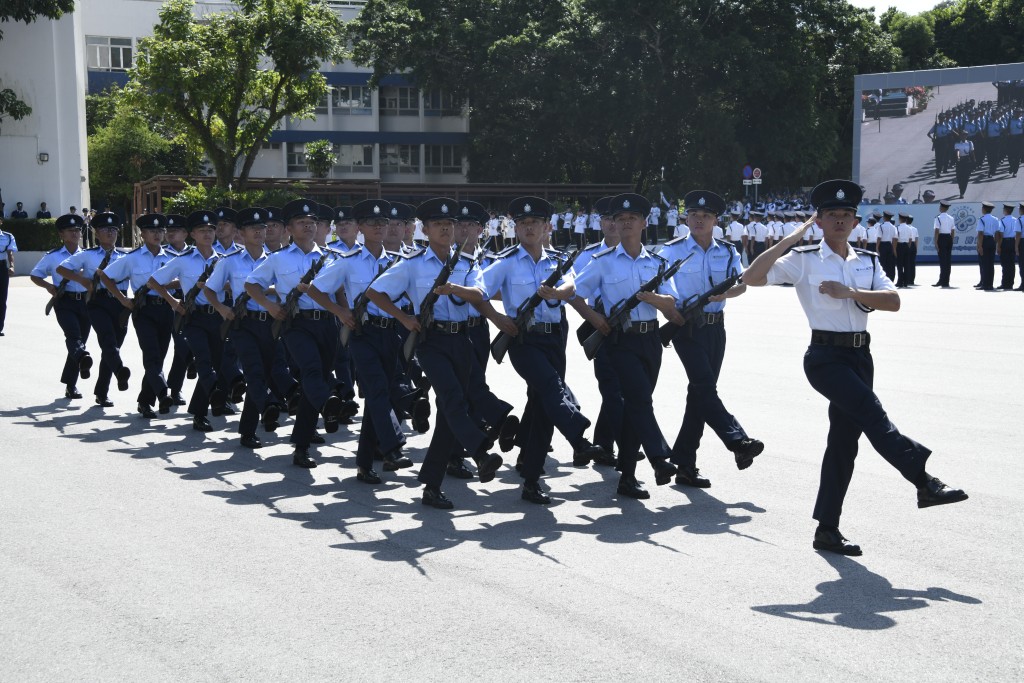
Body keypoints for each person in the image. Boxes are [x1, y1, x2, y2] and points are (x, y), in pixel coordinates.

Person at [742, 179, 968, 556]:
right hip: (825, 358)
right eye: (832, 214)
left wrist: (851, 293)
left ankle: (827, 530)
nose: (840, 220)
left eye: (847, 214)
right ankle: (923, 481)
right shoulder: (802, 259)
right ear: (819, 220)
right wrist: (789, 239)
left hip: (860, 357)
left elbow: (893, 301)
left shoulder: (868, 261)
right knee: (872, 413)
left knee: (844, 444)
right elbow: (752, 278)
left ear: (855, 219)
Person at [365, 197, 504, 510]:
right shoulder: (413, 264)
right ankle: (481, 453)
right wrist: (403, 318)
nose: (446, 228)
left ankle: (431, 485)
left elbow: (480, 294)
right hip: (431, 342)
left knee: (450, 414)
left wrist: (453, 289)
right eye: (438, 224)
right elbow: (374, 291)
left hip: (463, 340)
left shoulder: (466, 263)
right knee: (453, 399)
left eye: (450, 224)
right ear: (425, 230)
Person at [480, 196, 603, 504]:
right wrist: (498, 318)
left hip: (554, 337)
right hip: (523, 340)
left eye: (535, 222)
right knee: (551, 386)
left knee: (543, 409)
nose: (529, 227)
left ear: (547, 227)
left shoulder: (557, 260)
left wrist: (557, 292)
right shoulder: (506, 260)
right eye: (523, 223)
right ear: (516, 228)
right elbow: (479, 291)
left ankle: (532, 479)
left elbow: (570, 288)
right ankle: (578, 435)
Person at [565, 192, 682, 499]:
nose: (626, 223)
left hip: (650, 338)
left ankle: (627, 476)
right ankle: (659, 458)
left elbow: (672, 304)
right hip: (619, 340)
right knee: (640, 399)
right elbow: (575, 292)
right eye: (620, 219)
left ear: (644, 223)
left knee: (635, 406)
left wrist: (654, 299)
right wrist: (595, 318)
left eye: (632, 219)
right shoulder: (602, 262)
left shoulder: (657, 262)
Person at [659, 190, 764, 488]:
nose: (699, 220)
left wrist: (725, 293)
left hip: (716, 327)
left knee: (700, 394)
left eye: (705, 216)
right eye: (694, 215)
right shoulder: (672, 251)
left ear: (716, 220)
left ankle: (684, 464)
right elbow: (661, 287)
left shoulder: (727, 251)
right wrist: (671, 310)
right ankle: (737, 440)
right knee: (703, 386)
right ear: (686, 218)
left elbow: (741, 285)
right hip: (686, 327)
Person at [307, 199, 415, 482]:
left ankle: (365, 464)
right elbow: (316, 290)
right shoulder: (349, 261)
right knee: (377, 390)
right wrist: (340, 311)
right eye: (372, 223)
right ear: (359, 228)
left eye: (383, 223)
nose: (379, 227)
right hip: (362, 333)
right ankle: (392, 447)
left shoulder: (399, 261)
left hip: (392, 332)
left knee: (381, 396)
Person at [246, 200, 339, 469]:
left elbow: (340, 290)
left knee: (317, 379)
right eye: (301, 222)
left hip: (327, 324)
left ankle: (301, 445)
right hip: (296, 323)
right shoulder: (278, 258)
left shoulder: (330, 257)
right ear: (289, 228)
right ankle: (329, 405)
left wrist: (345, 313)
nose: (309, 225)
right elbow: (251, 284)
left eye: (312, 222)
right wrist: (271, 306)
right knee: (310, 370)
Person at [149, 211, 229, 433]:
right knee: (203, 360)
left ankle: (199, 410)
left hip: (218, 317)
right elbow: (154, 281)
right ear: (192, 234)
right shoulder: (182, 261)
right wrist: (173, 302)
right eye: (202, 230)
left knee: (217, 363)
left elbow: (233, 285)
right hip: (193, 317)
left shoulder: (224, 261)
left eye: (211, 230)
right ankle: (213, 396)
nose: (208, 234)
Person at [204, 208, 278, 449]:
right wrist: (221, 309)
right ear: (241, 233)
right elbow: (209, 289)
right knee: (253, 370)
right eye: (253, 228)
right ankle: (267, 406)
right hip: (242, 323)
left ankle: (248, 430)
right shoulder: (230, 261)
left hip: (270, 322)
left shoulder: (276, 260)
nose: (259, 232)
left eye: (262, 228)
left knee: (264, 374)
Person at [99, 214, 174, 418]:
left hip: (167, 309)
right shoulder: (132, 257)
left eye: (160, 231)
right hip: (144, 310)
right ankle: (162, 392)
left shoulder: (171, 258)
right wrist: (123, 299)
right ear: (143, 234)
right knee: (151, 355)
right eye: (152, 231)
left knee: (160, 355)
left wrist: (167, 285)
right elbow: (105, 276)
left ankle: (144, 401)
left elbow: (181, 281)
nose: (157, 234)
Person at [55, 212, 132, 407]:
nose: (110, 232)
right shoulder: (87, 255)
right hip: (97, 302)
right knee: (107, 340)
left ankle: (102, 392)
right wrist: (81, 280)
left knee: (113, 347)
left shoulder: (126, 256)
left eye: (114, 229)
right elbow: (62, 269)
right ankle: (120, 370)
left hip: (121, 304)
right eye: (106, 229)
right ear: (96, 233)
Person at [30, 214, 94, 398]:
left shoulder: (89, 255)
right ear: (61, 234)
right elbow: (35, 275)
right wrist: (49, 286)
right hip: (64, 301)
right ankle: (81, 362)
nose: (75, 233)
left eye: (78, 230)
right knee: (73, 336)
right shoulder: (53, 256)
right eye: (70, 231)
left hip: (86, 300)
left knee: (80, 342)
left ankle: (71, 382)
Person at [976, 201, 999, 291]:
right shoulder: (995, 219)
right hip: (992, 240)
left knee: (984, 264)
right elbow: (997, 233)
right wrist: (995, 243)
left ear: (984, 209)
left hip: (984, 241)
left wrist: (980, 246)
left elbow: (980, 233)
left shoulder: (981, 219)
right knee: (990, 264)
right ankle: (990, 284)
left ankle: (985, 284)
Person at [0, 216, 16, 336]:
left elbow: (10, 252)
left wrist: (12, 266)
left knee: (2, 298)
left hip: (2, 267)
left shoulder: (8, 236)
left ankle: (0, 327)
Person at [997, 204, 1019, 290]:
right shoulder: (1015, 220)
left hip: (1005, 242)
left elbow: (1001, 235)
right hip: (1013, 241)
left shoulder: (1002, 220)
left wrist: (999, 246)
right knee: (1011, 264)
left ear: (1005, 210)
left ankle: (1005, 283)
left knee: (1005, 264)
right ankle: (1010, 283)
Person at [932, 201, 955, 288]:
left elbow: (937, 231)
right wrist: (951, 240)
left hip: (941, 238)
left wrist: (936, 242)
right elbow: (953, 231)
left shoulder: (938, 218)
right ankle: (946, 281)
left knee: (942, 261)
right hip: (949, 238)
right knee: (948, 261)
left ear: (941, 208)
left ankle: (942, 281)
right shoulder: (951, 218)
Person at [953, 131, 975, 199]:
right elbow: (957, 152)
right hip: (960, 161)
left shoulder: (969, 143)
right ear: (960, 136)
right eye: (962, 135)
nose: (963, 136)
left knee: (965, 178)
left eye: (965, 135)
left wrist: (974, 160)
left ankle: (962, 193)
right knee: (959, 177)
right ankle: (960, 187)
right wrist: (958, 158)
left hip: (967, 161)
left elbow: (971, 152)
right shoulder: (957, 143)